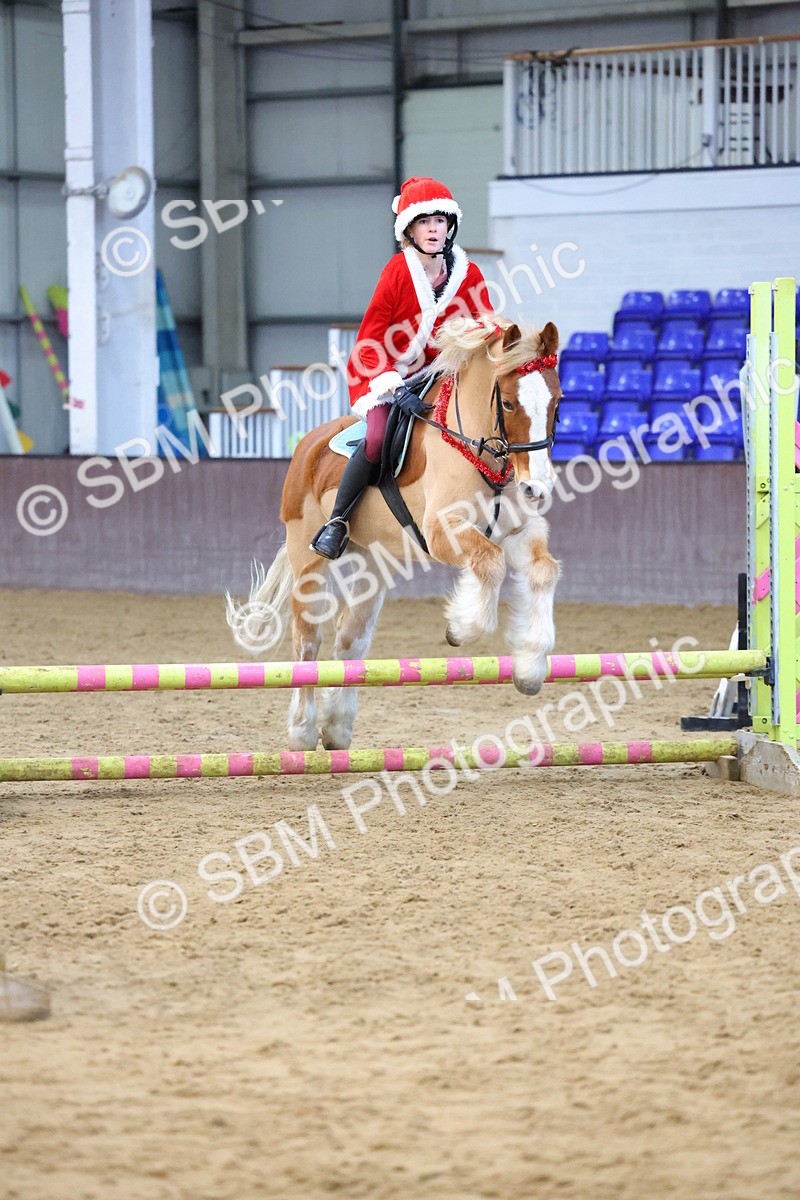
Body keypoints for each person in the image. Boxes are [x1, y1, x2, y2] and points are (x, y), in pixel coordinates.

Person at [310, 175, 494, 559]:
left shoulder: (469, 275)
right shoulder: (397, 271)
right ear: (409, 229)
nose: (433, 229)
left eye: (440, 221)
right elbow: (369, 339)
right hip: (381, 372)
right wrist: (395, 388)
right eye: (424, 222)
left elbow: (483, 328)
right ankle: (338, 521)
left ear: (450, 226)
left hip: (438, 375)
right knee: (377, 437)